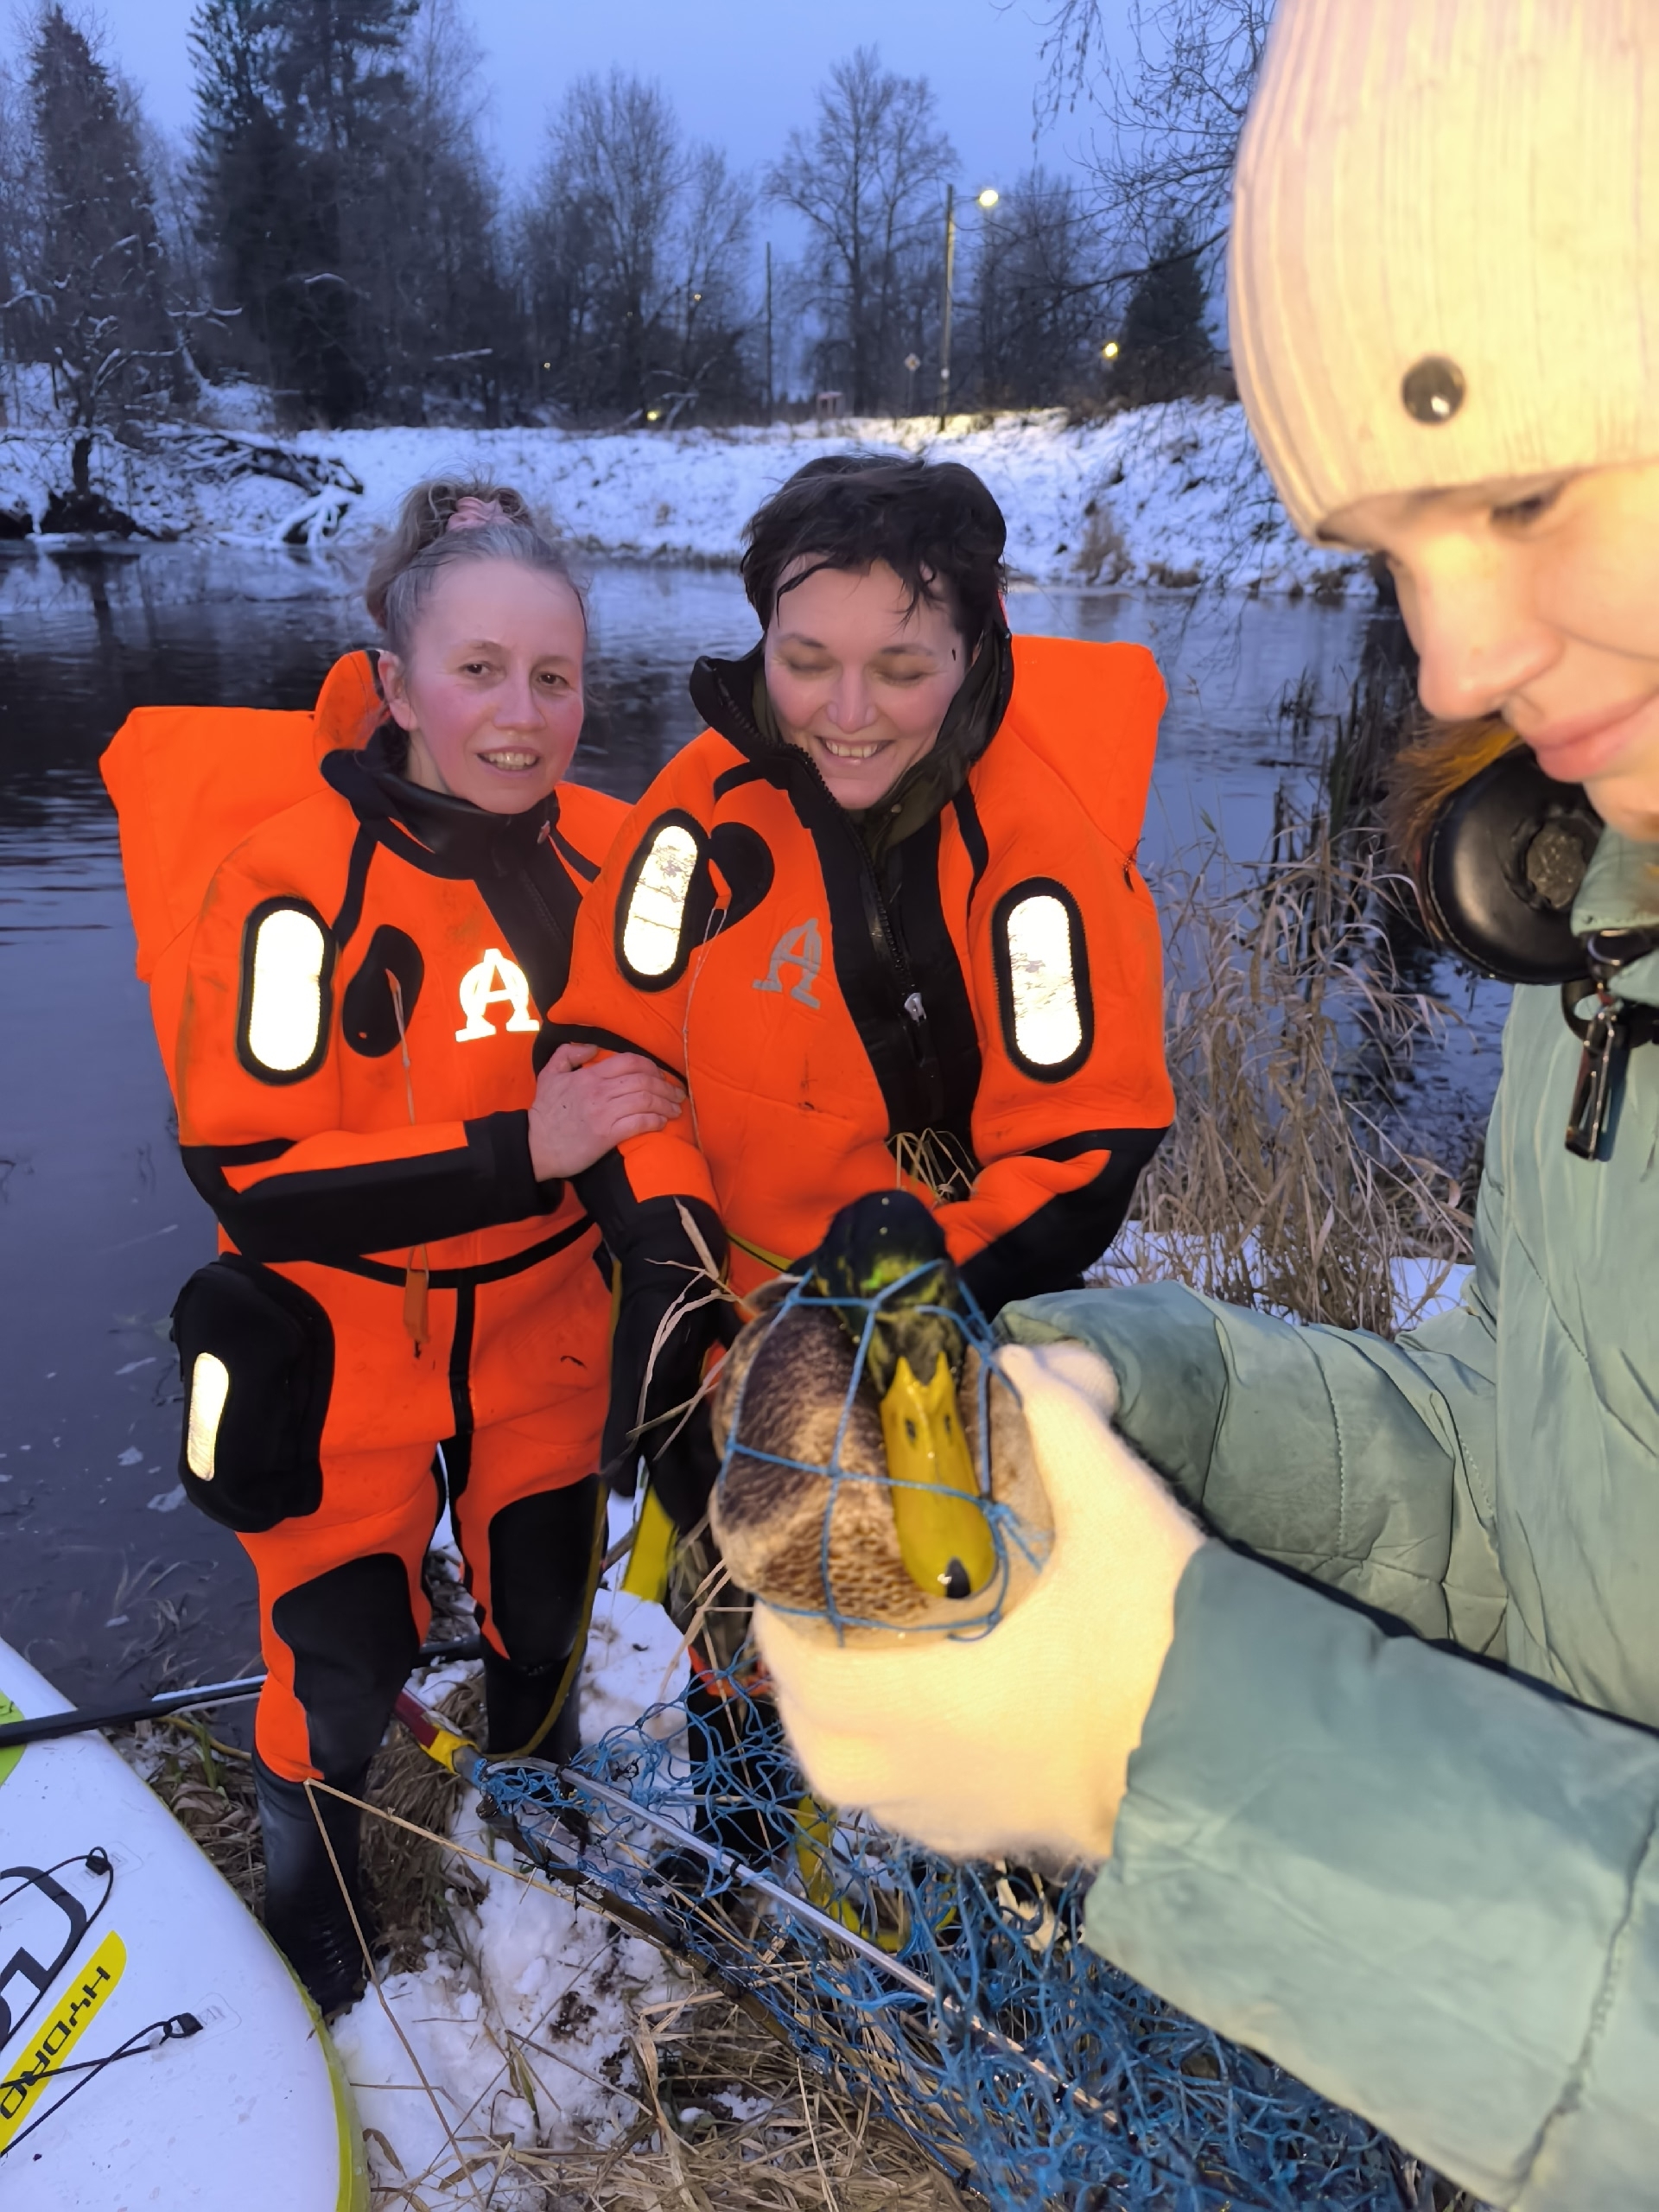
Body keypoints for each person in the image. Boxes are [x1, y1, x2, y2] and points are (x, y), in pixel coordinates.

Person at [749, 4, 1659, 2205]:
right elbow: (1535, 1483)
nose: (1451, 666)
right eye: (1391, 555)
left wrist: (1160, 1741)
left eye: (1524, 493)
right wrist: (1148, 1400)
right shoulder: (1612, 935)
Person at [142, 480, 681, 2012]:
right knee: (343, 1654)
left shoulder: (622, 864)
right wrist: (521, 1147)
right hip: (341, 1341)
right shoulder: (290, 887)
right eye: (478, 670)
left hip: (544, 1326)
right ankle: (310, 1877)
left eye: (556, 677)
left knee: (543, 1609)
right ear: (395, 682)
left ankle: (540, 1813)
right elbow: (253, 1175)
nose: (522, 715)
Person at [545, 454, 1175, 1614]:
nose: (845, 716)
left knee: (900, 1660)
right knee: (728, 1647)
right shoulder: (698, 805)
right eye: (804, 663)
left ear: (975, 651)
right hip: (712, 1315)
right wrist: (666, 1253)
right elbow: (609, 1038)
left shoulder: (1038, 865)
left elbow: (1081, 1151)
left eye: (901, 670)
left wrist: (854, 1329)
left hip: (920, 1335)